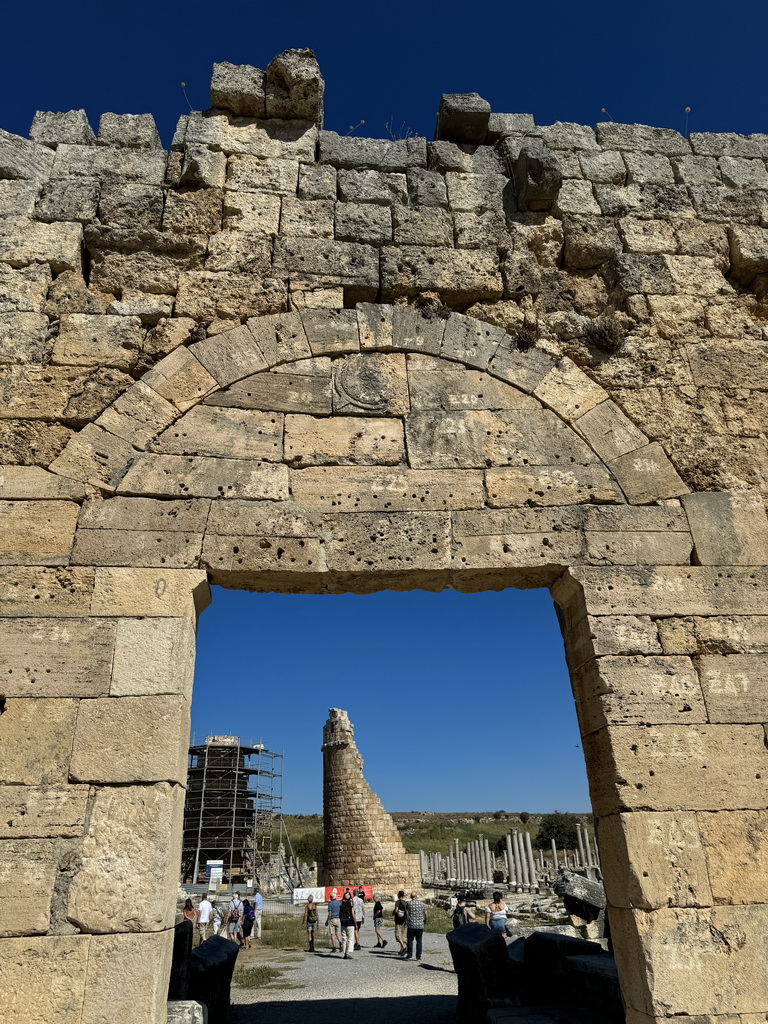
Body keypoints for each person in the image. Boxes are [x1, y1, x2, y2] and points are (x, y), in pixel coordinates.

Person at [404, 891, 427, 961]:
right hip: (420, 925)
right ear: (416, 896)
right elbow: (426, 913)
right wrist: (425, 921)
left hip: (411, 925)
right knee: (419, 941)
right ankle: (418, 956)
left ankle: (409, 954)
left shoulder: (408, 904)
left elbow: (406, 913)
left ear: (411, 897)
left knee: (410, 940)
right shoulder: (422, 904)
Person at [339, 891, 357, 959]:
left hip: (343, 923)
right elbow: (353, 915)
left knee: (344, 939)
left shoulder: (341, 906)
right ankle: (348, 952)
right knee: (350, 938)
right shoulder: (350, 906)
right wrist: (355, 923)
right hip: (350, 923)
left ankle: (344, 953)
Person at [393, 889, 408, 956]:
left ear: (398, 895)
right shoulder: (405, 903)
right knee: (403, 936)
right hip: (404, 921)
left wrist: (393, 912)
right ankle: (401, 950)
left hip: (398, 920)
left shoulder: (397, 902)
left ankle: (404, 947)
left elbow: (396, 910)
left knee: (398, 935)